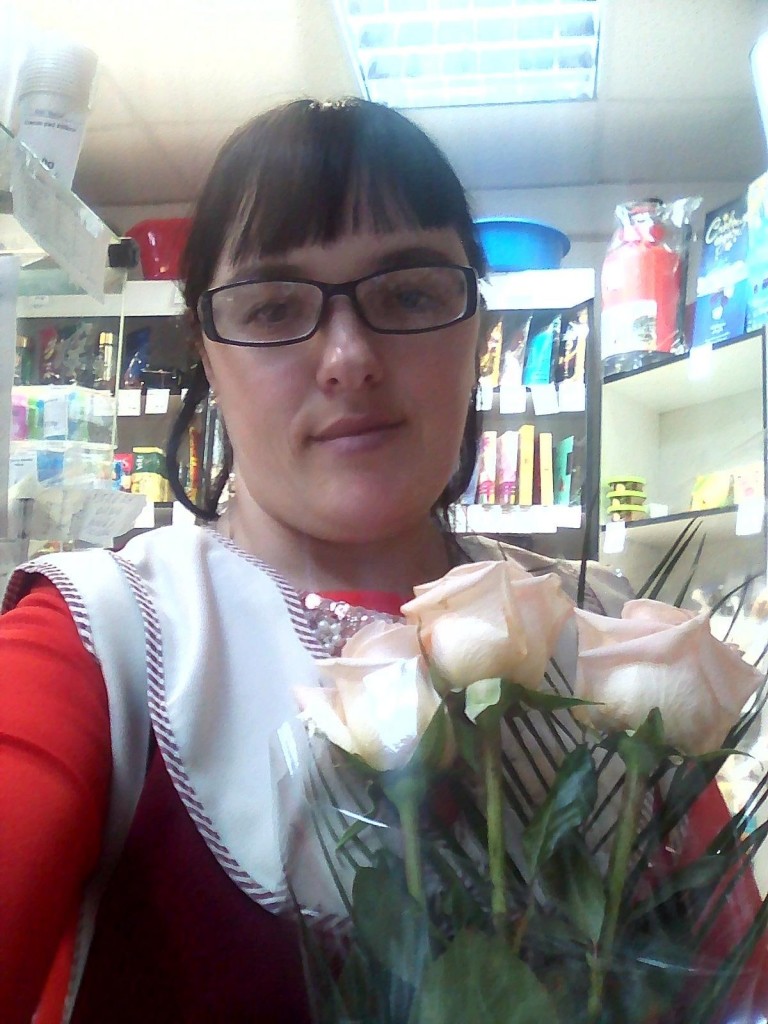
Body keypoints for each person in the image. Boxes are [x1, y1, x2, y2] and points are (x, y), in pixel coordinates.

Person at [0, 97, 763, 1024]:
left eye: (407, 294)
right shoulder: (101, 641)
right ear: (205, 349)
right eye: (274, 306)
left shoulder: (620, 645)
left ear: (476, 329)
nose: (349, 358)